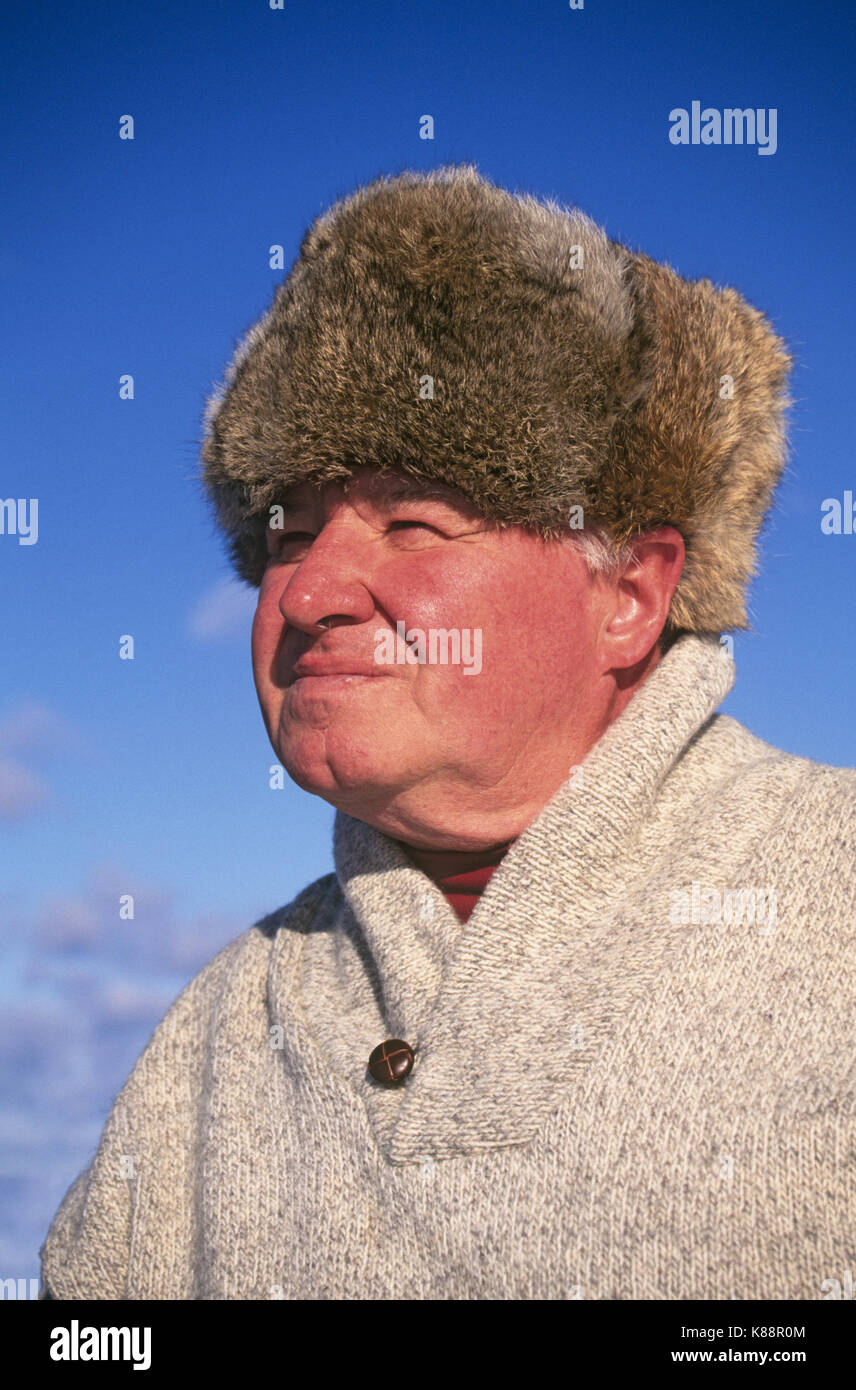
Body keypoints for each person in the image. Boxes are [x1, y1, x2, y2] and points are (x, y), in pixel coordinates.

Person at [40, 164, 855, 1300]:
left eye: (414, 522)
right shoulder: (218, 1029)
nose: (311, 589)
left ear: (627, 591)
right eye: (288, 531)